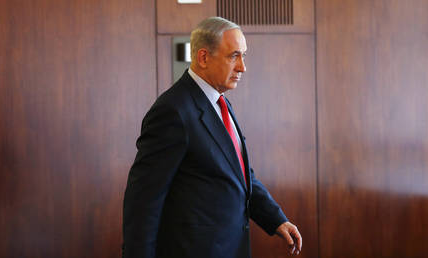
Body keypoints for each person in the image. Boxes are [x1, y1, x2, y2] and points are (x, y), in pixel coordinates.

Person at [122, 16, 302, 258]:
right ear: (204, 57)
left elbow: (240, 175)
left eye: (243, 56)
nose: (242, 67)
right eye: (233, 56)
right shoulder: (172, 110)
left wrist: (276, 219)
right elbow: (143, 200)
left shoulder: (220, 102)